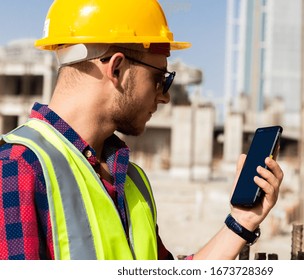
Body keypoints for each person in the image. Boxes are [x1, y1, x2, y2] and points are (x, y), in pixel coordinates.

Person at [0, 0, 283, 260]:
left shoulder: (131, 180)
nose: (165, 97)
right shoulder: (17, 168)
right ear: (117, 69)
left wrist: (241, 221)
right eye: (160, 79)